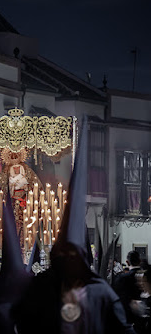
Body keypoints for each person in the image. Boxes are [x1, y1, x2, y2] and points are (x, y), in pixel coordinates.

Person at [12, 117, 135, 333]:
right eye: (63, 254)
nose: (67, 261)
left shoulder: (101, 294)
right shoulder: (41, 288)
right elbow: (22, 321)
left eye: (72, 255)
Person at [113, 251, 143, 332]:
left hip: (127, 319)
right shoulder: (146, 277)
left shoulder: (121, 278)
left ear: (127, 262)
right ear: (140, 261)